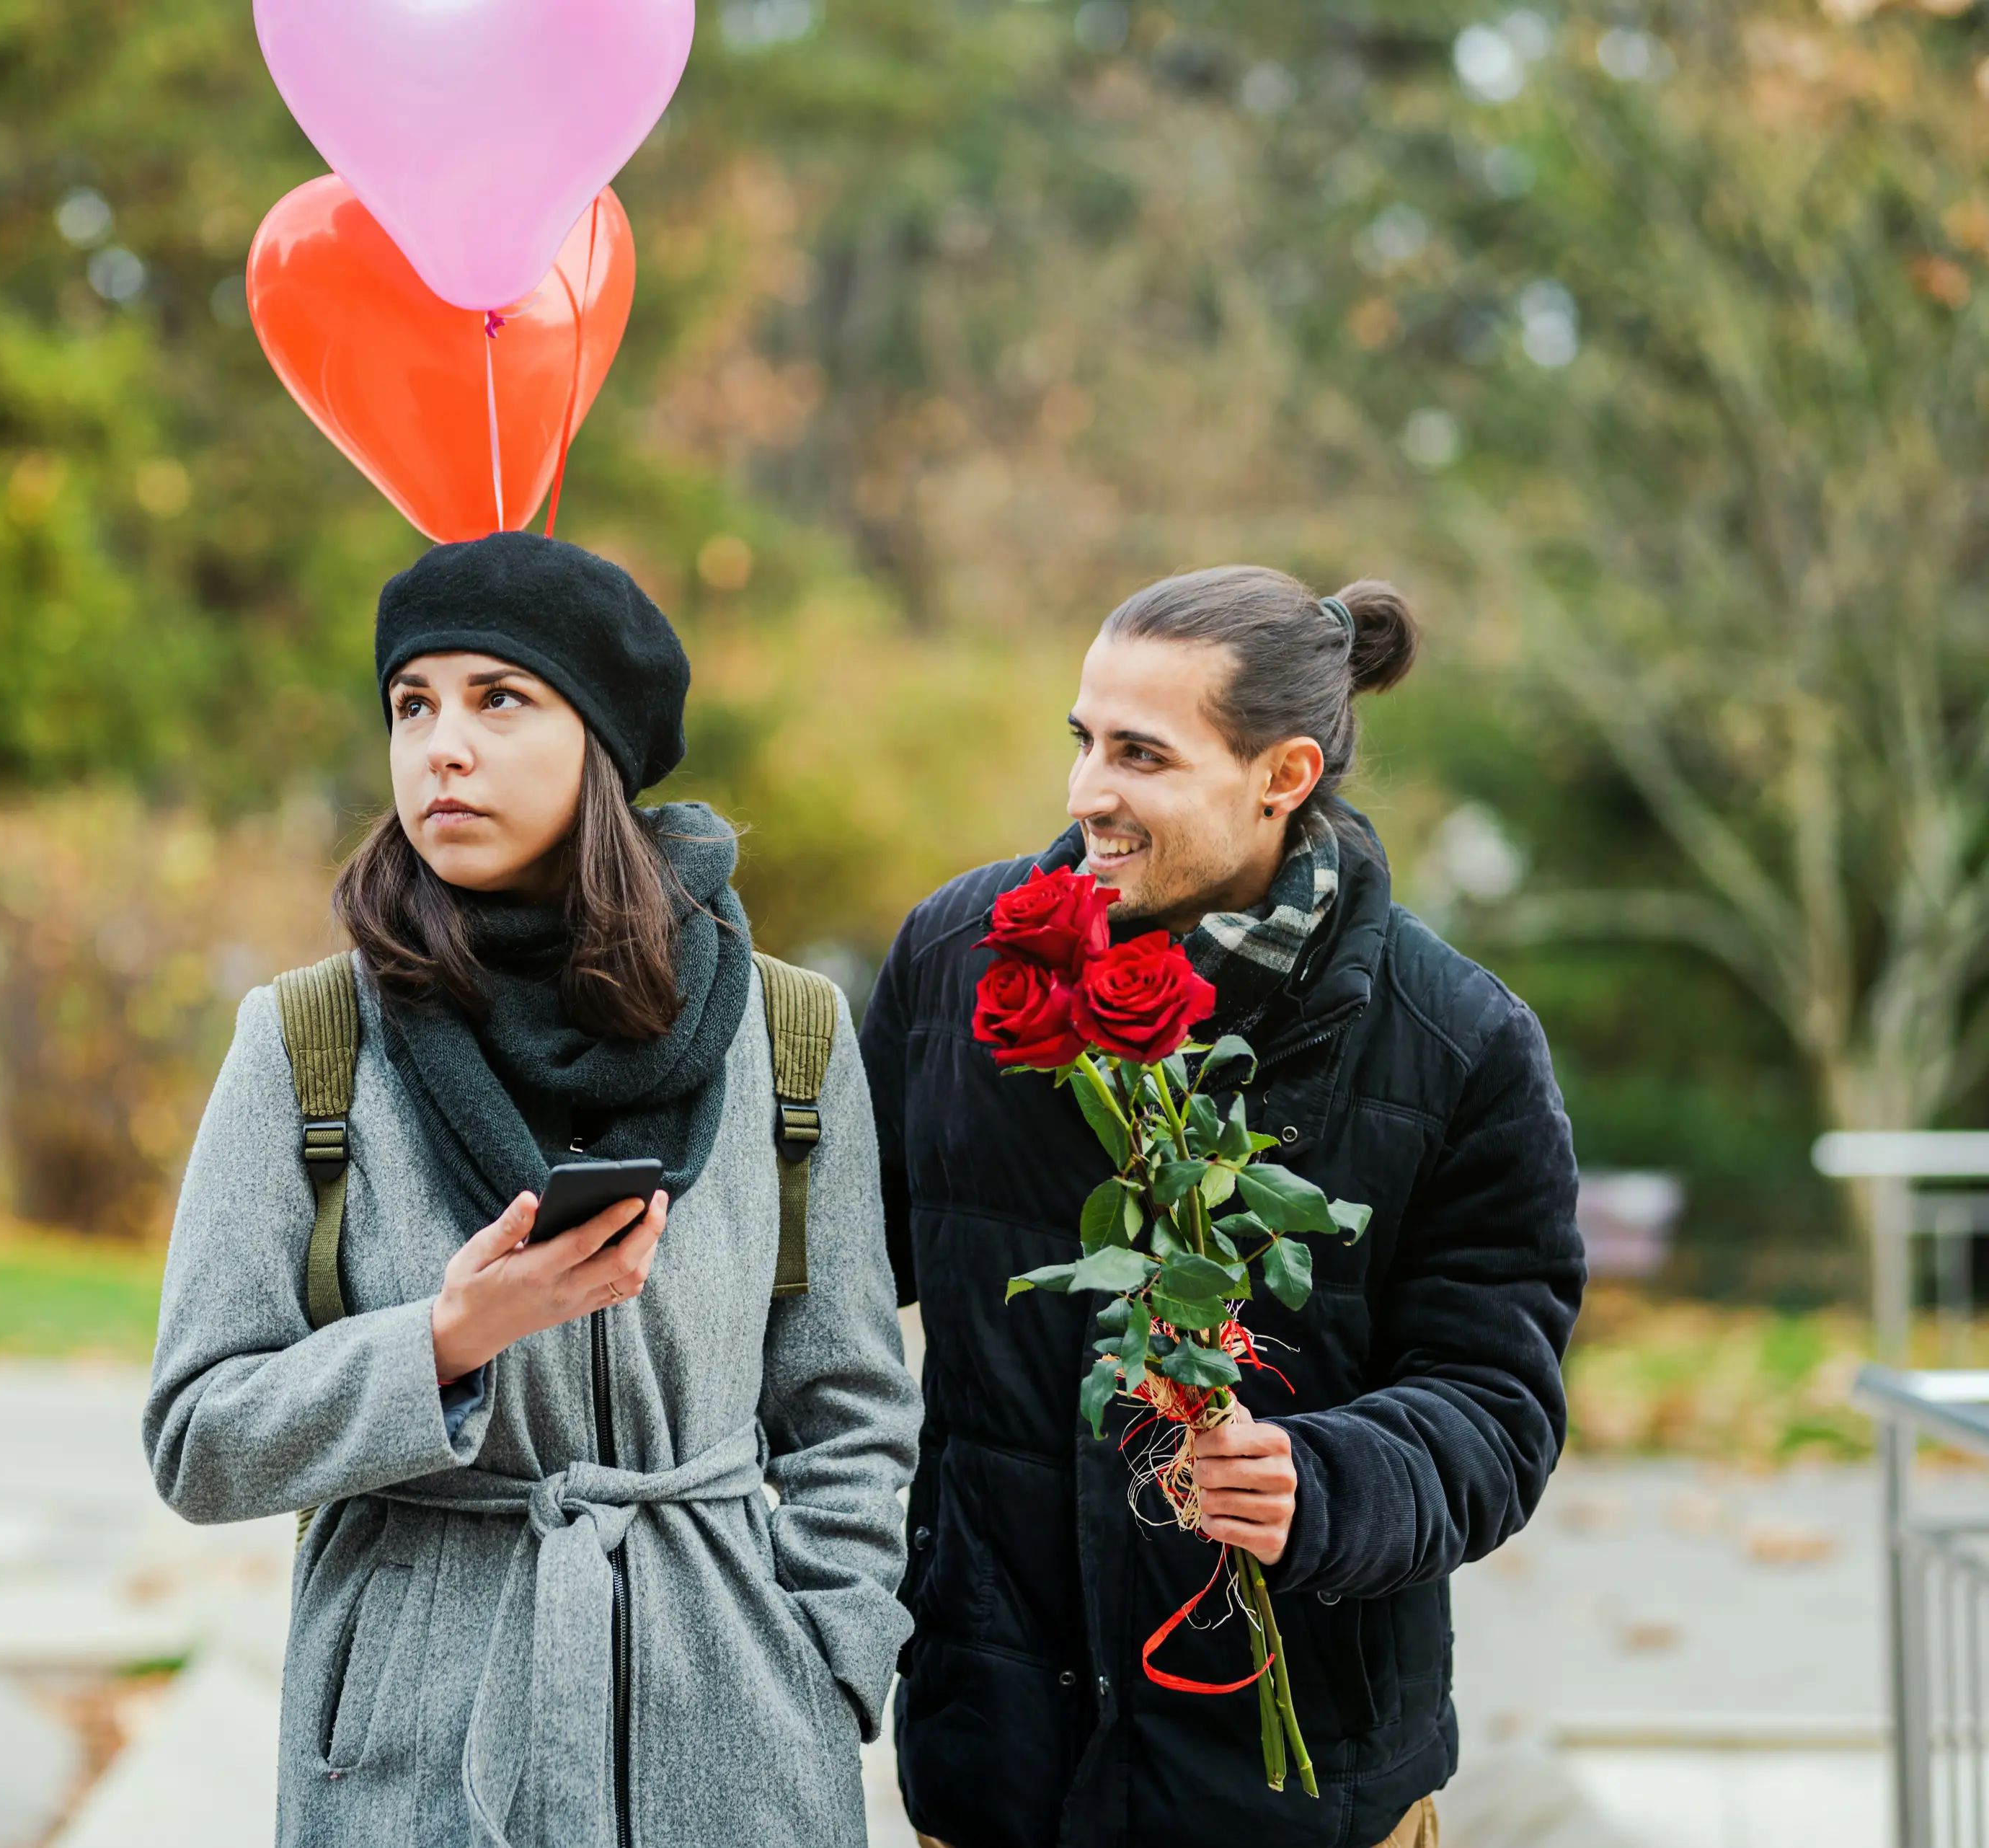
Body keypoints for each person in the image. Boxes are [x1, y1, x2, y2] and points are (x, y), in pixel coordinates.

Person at [144, 531, 921, 1847]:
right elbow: (198, 1438)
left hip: (734, 1739)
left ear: (600, 746)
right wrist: (446, 1342)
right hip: (412, 1753)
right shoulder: (308, 1041)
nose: (443, 744)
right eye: (413, 702)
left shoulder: (788, 1032)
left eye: (500, 698)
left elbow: (852, 1411)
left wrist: (823, 1668)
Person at [862, 567, 1585, 1848]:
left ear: (1284, 774)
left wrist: (1326, 1481)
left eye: (1143, 754)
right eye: (1084, 741)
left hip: (1309, 1798)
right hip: (993, 1779)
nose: (1090, 790)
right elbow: (830, 1294)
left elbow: (1498, 1403)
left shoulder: (1463, 1043)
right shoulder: (955, 958)